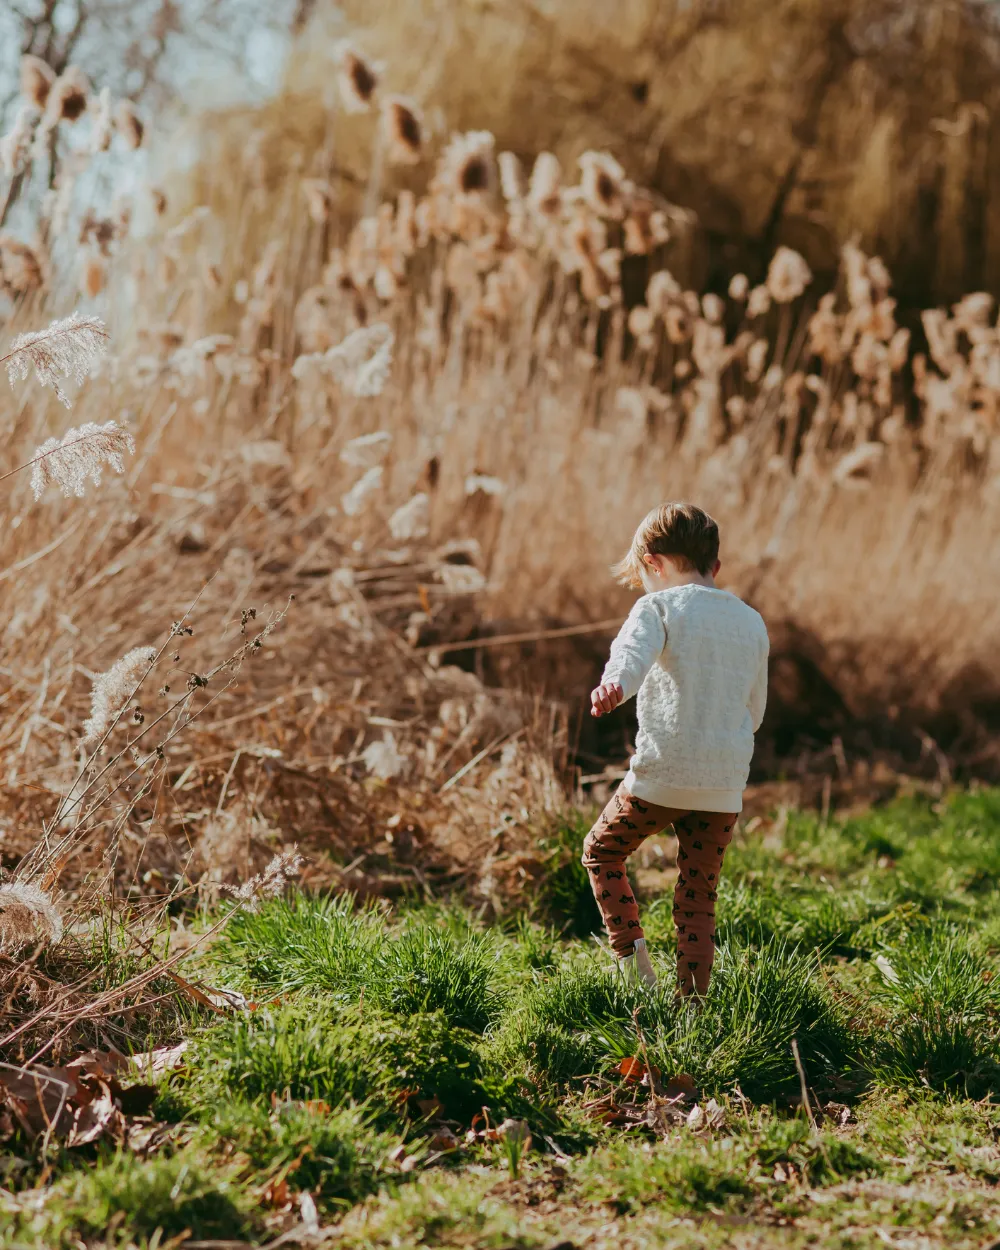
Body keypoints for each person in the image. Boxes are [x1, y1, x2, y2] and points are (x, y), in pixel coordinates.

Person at [582, 502, 769, 996]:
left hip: (663, 773)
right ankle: (692, 1010)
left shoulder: (657, 606)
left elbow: (630, 658)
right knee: (697, 897)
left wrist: (613, 687)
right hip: (723, 784)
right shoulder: (751, 621)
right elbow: (757, 709)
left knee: (602, 851)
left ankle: (634, 977)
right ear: (716, 567)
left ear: (654, 562)